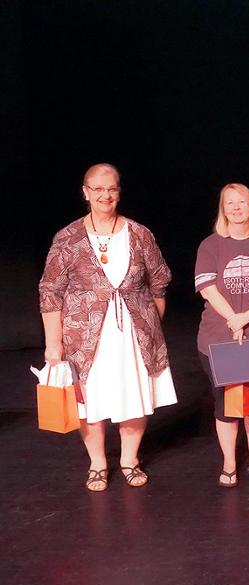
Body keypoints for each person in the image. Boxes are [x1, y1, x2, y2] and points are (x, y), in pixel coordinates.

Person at [39, 163, 177, 491]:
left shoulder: (140, 234)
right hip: (84, 337)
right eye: (98, 189)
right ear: (86, 193)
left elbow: (159, 282)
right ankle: (98, 463)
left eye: (111, 189)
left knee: (134, 394)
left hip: (132, 334)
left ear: (119, 192)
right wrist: (53, 341)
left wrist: (149, 324)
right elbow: (50, 291)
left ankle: (130, 459)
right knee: (92, 399)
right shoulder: (68, 238)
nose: (105, 195)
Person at [195, 183, 249, 487]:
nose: (235, 207)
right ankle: (230, 463)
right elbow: (207, 287)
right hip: (219, 338)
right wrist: (233, 318)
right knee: (226, 404)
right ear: (223, 209)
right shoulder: (211, 244)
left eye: (241, 201)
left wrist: (246, 316)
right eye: (229, 203)